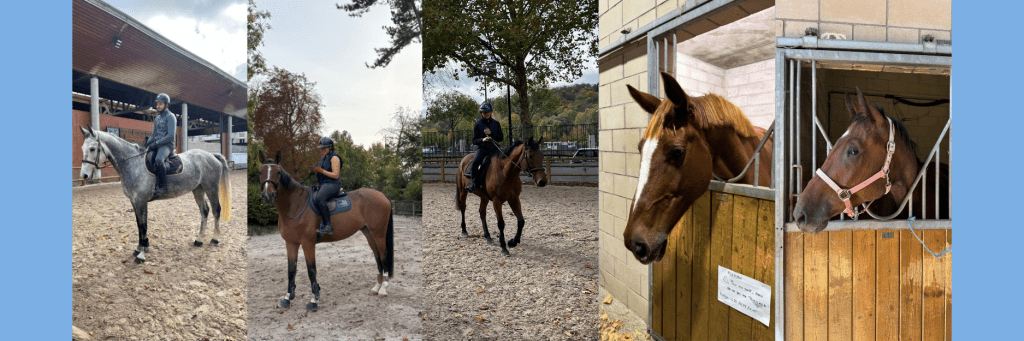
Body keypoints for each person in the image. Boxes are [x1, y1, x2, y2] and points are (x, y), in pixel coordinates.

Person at [309, 136, 343, 238]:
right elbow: (320, 171)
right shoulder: (324, 158)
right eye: (321, 148)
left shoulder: (334, 158)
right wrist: (314, 171)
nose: (323, 150)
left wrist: (321, 171)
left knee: (319, 198)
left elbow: (336, 175)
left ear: (330, 147)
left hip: (333, 184)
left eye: (325, 148)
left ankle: (328, 225)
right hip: (324, 184)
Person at [466, 102, 503, 193]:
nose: (486, 114)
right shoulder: (478, 124)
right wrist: (482, 139)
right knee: (476, 162)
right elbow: (474, 140)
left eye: (488, 112)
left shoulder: (496, 123)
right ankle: (473, 182)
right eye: (484, 112)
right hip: (482, 148)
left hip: (494, 148)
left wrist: (491, 134)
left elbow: (501, 138)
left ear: (491, 112)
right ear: (481, 113)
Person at [144, 93, 176, 195]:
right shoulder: (157, 119)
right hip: (157, 144)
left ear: (166, 104)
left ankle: (163, 186)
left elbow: (170, 135)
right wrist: (147, 143)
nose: (158, 106)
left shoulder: (171, 117)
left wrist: (157, 143)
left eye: (160, 104)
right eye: (157, 104)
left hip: (167, 145)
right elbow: (153, 135)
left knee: (158, 159)